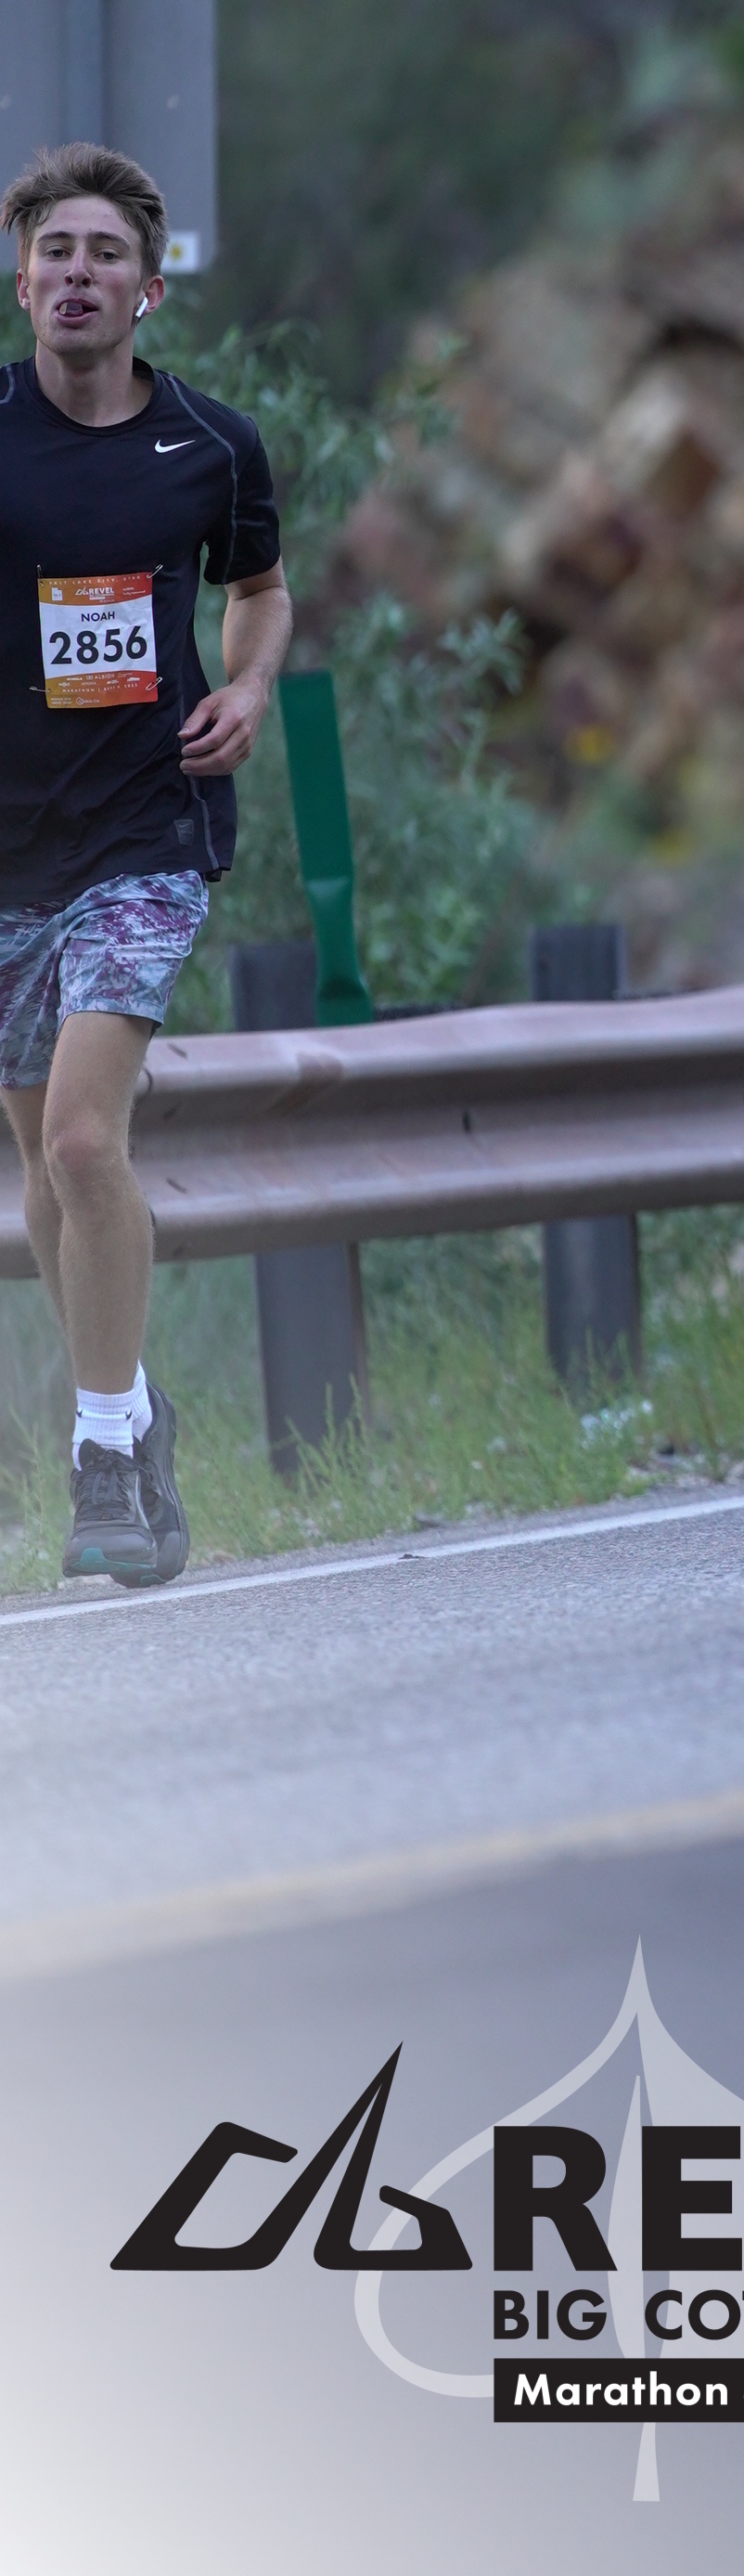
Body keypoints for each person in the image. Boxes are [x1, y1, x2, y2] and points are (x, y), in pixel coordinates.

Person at [0, 145, 289, 1586]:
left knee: (79, 1142)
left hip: (144, 838)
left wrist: (249, 689)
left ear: (148, 289)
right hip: (7, 855)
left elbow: (262, 590)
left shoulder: (212, 447)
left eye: (104, 253)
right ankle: (137, 1408)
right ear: (22, 282)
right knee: (45, 1184)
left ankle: (103, 1448)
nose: (78, 273)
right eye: (55, 250)